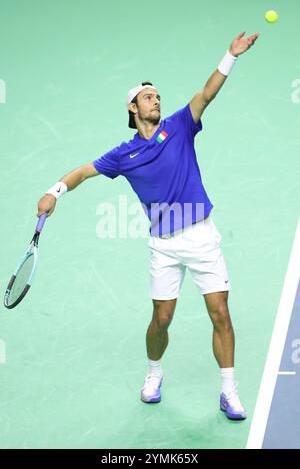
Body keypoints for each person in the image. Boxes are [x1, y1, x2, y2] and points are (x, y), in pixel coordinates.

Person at [37, 31, 259, 420]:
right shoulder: (122, 155)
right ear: (133, 108)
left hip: (202, 236)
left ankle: (229, 390)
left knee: (220, 313)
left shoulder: (180, 126)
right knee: (161, 318)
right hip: (164, 245)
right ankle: (154, 373)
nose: (156, 100)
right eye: (148, 96)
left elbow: (207, 93)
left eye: (158, 95)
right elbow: (83, 172)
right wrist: (54, 191)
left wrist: (231, 55)